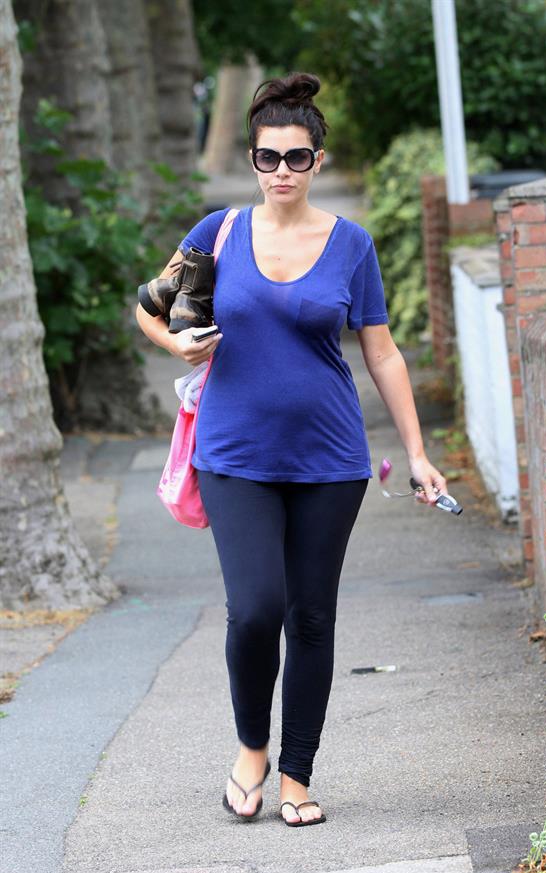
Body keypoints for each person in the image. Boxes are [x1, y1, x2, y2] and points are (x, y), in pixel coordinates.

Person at [136, 72, 447, 828]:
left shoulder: (351, 245)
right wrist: (174, 341)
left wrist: (415, 452)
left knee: (311, 618)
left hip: (329, 461)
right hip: (233, 454)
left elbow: (381, 355)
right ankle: (250, 749)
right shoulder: (213, 233)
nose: (281, 171)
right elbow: (147, 306)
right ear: (251, 159)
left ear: (315, 160)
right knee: (255, 610)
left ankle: (297, 776)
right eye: (268, 157)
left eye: (297, 158)